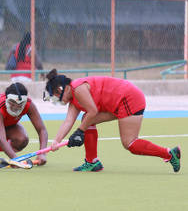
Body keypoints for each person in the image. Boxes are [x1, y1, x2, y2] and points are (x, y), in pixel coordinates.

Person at [45, 69, 181, 173]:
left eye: (55, 95)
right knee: (87, 120)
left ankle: (169, 154)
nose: (56, 99)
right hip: (117, 103)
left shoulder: (78, 88)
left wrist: (80, 131)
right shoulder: (73, 100)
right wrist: (56, 141)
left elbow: (93, 111)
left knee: (130, 143)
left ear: (63, 89)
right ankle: (92, 162)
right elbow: (68, 121)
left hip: (128, 98)